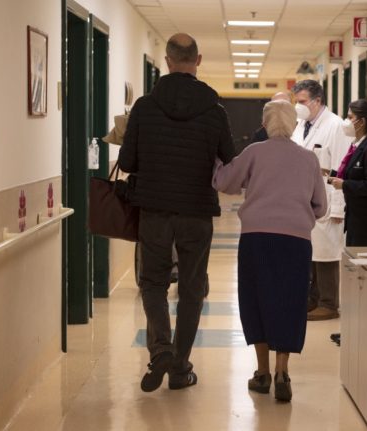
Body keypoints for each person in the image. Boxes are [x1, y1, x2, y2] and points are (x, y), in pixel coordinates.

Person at [118, 33, 235, 392]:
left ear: (167, 61)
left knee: (152, 282)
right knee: (191, 288)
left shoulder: (144, 107)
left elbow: (126, 162)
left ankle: (161, 350)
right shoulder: (215, 111)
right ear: (197, 60)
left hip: (154, 209)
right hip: (197, 212)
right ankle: (181, 367)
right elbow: (229, 160)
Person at [212, 100, 327, 402]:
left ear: (264, 125)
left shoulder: (254, 152)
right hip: (295, 242)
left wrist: (213, 159)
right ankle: (281, 371)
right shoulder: (308, 159)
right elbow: (321, 206)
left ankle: (261, 372)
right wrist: (298, 218)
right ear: (293, 125)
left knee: (256, 299)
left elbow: (225, 183)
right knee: (289, 301)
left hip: (256, 238)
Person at [290, 79, 351, 321]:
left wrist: (338, 206)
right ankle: (312, 299)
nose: (299, 106)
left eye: (303, 101)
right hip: (303, 198)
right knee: (311, 251)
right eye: (297, 101)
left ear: (317, 101)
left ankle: (329, 303)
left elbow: (340, 167)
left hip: (326, 196)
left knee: (327, 252)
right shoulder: (301, 124)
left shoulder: (335, 126)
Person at [328, 99, 367, 247]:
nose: (346, 121)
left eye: (350, 117)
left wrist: (344, 185)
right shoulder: (357, 144)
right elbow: (353, 172)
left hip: (366, 220)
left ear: (361, 122)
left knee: (359, 264)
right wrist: (330, 173)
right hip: (356, 217)